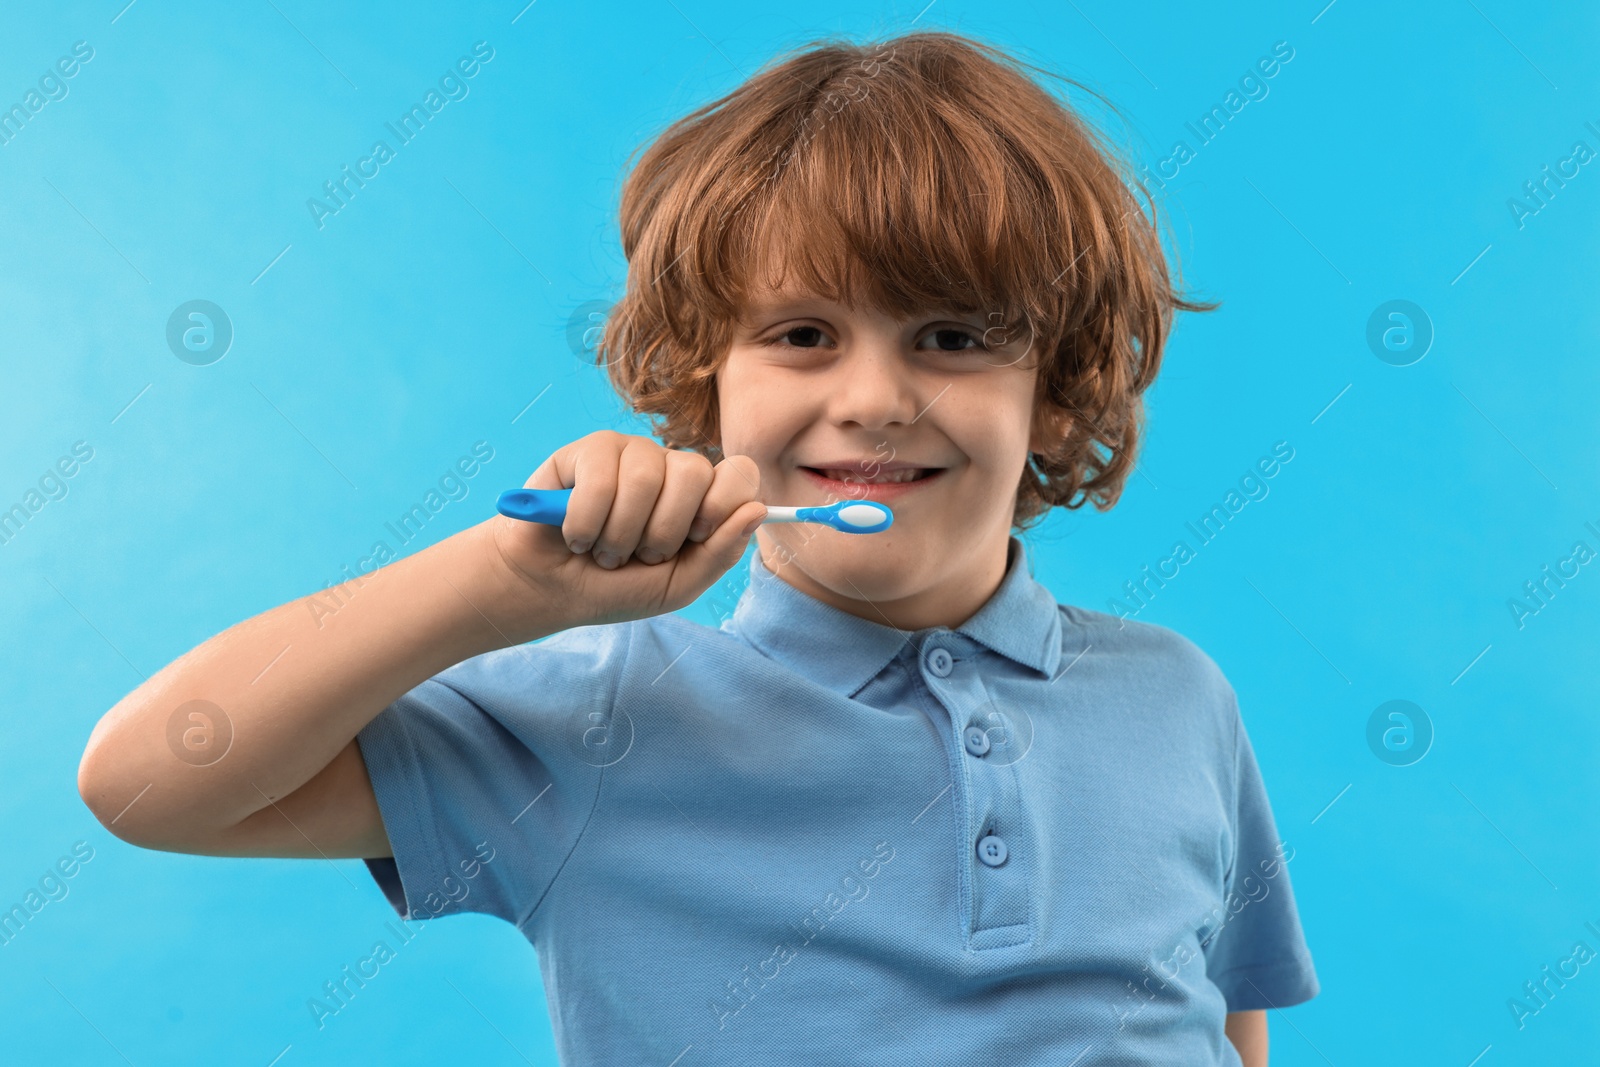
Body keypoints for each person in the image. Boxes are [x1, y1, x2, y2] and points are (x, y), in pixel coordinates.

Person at [78, 29, 1317, 1065]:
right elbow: (143, 778)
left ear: (1054, 390)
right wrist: (498, 585)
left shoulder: (1176, 695)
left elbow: (1224, 1017)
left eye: (950, 335)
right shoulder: (596, 722)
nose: (875, 395)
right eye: (799, 333)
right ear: (699, 383)